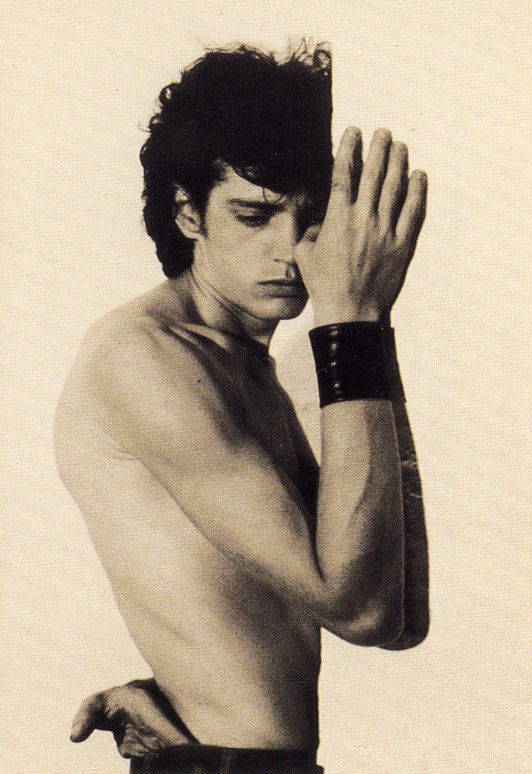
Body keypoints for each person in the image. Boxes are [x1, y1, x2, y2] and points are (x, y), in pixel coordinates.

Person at [54, 42, 429, 773]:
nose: (292, 251)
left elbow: (398, 617)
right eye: (254, 215)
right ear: (188, 213)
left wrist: (370, 323)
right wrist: (351, 322)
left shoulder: (250, 367)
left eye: (310, 220)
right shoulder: (147, 358)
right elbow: (355, 607)